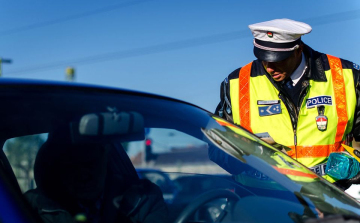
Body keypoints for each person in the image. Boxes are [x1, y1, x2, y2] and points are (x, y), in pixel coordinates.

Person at [215, 18, 360, 189]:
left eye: (278, 59)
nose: (269, 67)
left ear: (298, 50)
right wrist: (244, 154)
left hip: (327, 196)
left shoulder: (347, 76)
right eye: (263, 58)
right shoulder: (237, 83)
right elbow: (216, 147)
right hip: (261, 194)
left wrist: (356, 166)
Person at [24, 131, 168, 223]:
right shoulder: (30, 207)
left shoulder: (144, 198)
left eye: (91, 164)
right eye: (72, 167)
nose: (84, 176)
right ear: (58, 169)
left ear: (105, 157)